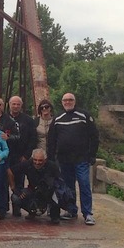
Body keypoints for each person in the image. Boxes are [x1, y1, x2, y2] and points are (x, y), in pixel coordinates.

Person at [47, 92, 99, 225]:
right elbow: (51, 140)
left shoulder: (84, 116)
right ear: (62, 102)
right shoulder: (58, 118)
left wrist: (92, 154)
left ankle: (87, 213)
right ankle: (71, 210)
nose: (68, 102)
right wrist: (51, 158)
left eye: (70, 100)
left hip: (81, 158)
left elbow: (94, 136)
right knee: (68, 187)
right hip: (64, 160)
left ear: (74, 101)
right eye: (65, 100)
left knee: (84, 184)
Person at [10, 148, 62, 224]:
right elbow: (10, 171)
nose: (37, 163)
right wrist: (14, 188)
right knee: (15, 197)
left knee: (58, 195)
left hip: (48, 192)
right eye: (35, 160)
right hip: (32, 190)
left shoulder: (53, 166)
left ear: (45, 160)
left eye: (40, 160)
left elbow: (60, 184)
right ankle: (32, 211)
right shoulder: (28, 164)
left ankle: (54, 215)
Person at [5, 95, 37, 214]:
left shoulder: (28, 120)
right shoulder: (4, 118)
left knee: (19, 181)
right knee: (3, 183)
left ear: (21, 105)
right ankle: (4, 207)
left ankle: (17, 207)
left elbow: (33, 138)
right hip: (6, 155)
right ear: (9, 104)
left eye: (18, 104)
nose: (16, 106)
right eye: (13, 104)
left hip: (21, 155)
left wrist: (27, 155)